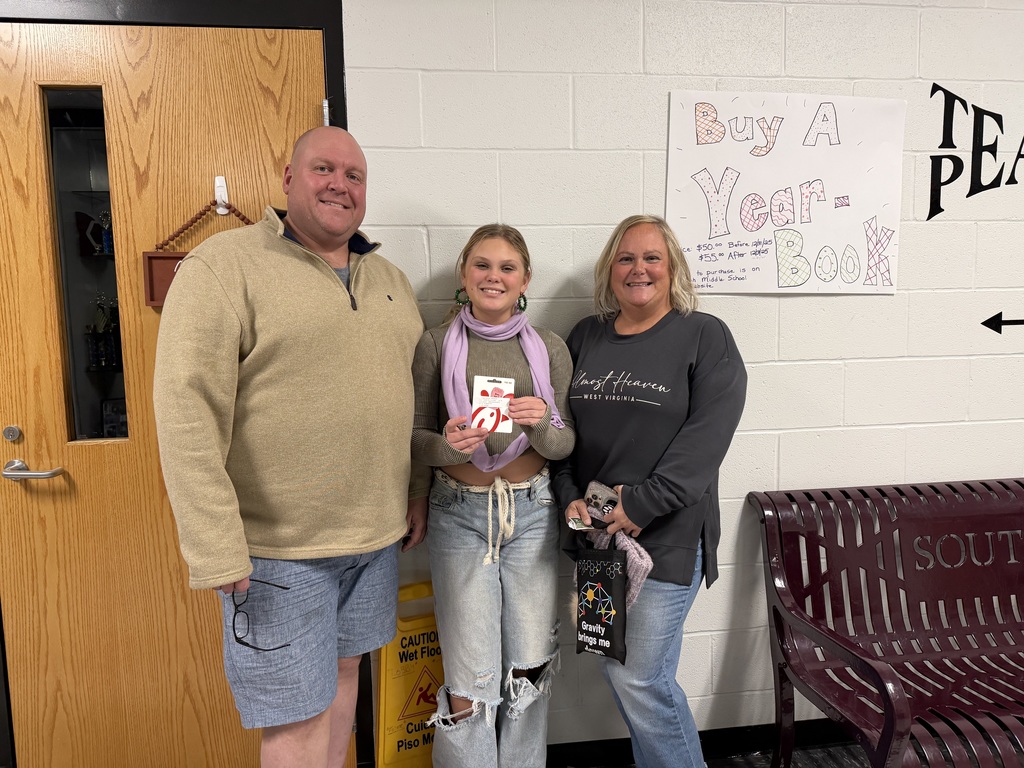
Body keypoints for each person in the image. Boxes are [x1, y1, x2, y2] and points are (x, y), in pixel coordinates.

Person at [153, 126, 429, 768]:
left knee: (341, 691)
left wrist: (414, 493)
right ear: (287, 179)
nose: (339, 184)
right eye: (323, 169)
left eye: (354, 176)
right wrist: (214, 546)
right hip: (278, 555)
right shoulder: (224, 267)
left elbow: (409, 401)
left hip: (373, 541)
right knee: (295, 721)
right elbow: (187, 415)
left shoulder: (388, 277)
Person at [552, 214, 747, 768]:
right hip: (597, 538)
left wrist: (639, 504)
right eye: (626, 258)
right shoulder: (586, 336)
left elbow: (707, 439)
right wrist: (569, 492)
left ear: (673, 268)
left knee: (639, 678)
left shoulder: (704, 335)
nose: (639, 269)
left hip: (668, 534)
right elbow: (562, 430)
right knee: (620, 666)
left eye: (652, 258)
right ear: (610, 269)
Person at [410, 224, 576, 768]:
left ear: (525, 279)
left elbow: (563, 442)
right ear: (464, 273)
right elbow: (415, 439)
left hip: (532, 511)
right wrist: (449, 445)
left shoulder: (548, 347)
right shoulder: (436, 343)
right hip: (459, 514)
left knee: (529, 663)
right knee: (469, 672)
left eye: (507, 268)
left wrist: (542, 423)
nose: (494, 277)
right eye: (482, 265)